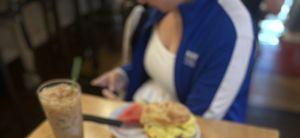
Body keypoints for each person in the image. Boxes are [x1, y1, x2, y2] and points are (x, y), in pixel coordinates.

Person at [92, 0, 256, 122]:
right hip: (140, 122)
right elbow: (160, 68)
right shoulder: (159, 9)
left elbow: (199, 121)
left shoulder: (231, 29)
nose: (140, 1)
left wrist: (136, 116)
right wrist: (126, 76)